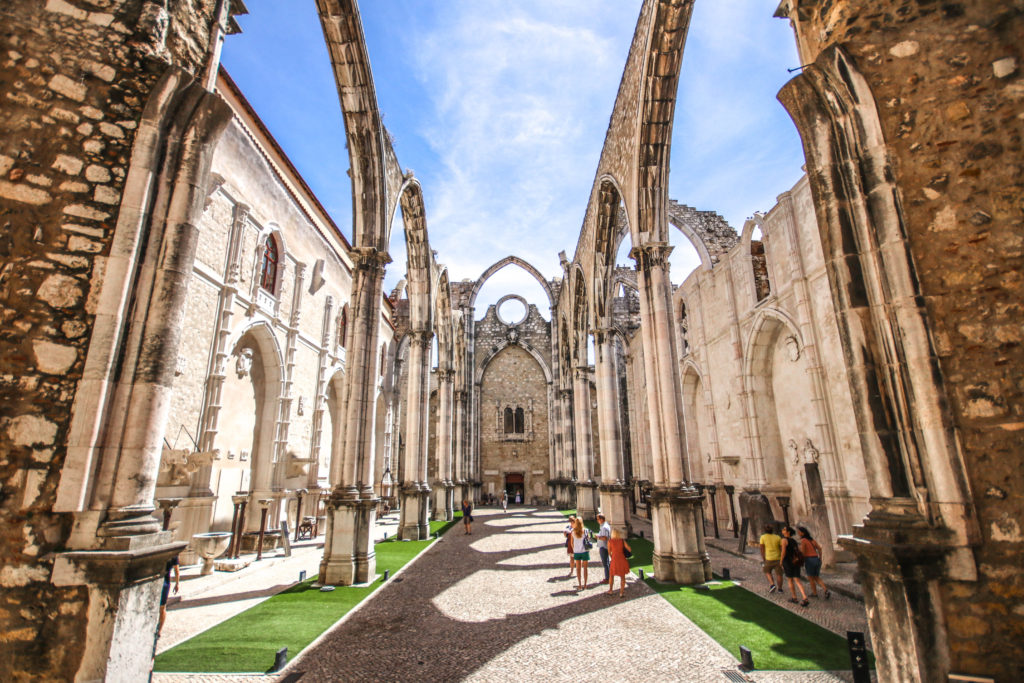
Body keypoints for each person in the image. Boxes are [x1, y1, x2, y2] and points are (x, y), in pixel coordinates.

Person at [798, 526, 830, 599]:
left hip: (809, 560)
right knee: (816, 577)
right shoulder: (812, 540)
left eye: (799, 532)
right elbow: (819, 549)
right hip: (816, 559)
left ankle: (814, 593)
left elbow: (803, 552)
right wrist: (820, 558)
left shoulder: (803, 540)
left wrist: (800, 560)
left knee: (811, 578)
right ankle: (825, 589)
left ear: (803, 533)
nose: (798, 533)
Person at [781, 525, 809, 606]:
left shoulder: (784, 540)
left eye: (784, 529)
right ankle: (804, 597)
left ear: (788, 532)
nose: (782, 530)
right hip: (795, 562)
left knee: (790, 580)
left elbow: (783, 552)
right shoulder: (794, 541)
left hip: (788, 562)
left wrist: (781, 561)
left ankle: (794, 597)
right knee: (797, 580)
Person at [158, 553, 180, 635]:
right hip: (165, 582)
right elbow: (177, 571)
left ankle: (159, 630)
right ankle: (159, 630)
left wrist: (177, 584)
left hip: (161, 581)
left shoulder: (165, 553)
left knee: (161, 607)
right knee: (162, 607)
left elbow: (177, 571)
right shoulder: (174, 555)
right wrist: (177, 584)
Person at [606, 528, 632, 597]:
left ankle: (610, 590)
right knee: (622, 577)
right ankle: (621, 593)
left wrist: (612, 556)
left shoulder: (610, 541)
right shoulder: (622, 541)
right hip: (622, 559)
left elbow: (609, 552)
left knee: (611, 575)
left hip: (614, 560)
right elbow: (629, 549)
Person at [759, 523, 784, 594]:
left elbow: (762, 549)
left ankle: (772, 584)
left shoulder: (763, 537)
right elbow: (781, 548)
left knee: (767, 572)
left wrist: (763, 558)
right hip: (778, 558)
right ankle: (780, 589)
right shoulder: (778, 537)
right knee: (779, 574)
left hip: (768, 558)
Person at [569, 517, 591, 590]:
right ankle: (585, 584)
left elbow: (572, 543)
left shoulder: (573, 532)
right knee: (585, 569)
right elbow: (588, 539)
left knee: (578, 569)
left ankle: (580, 585)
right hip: (585, 551)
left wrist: (575, 549)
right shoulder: (585, 531)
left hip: (577, 552)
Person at [596, 513, 611, 584]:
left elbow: (605, 538)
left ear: (602, 519)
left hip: (604, 546)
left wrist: (598, 537)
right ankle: (609, 577)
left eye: (598, 519)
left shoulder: (604, 527)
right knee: (606, 562)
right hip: (604, 546)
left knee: (605, 563)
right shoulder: (604, 526)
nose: (597, 521)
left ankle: (607, 578)